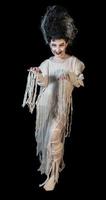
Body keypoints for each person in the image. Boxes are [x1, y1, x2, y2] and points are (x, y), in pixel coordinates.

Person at [22, 5, 85, 191]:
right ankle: (51, 169)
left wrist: (71, 77)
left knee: (53, 137)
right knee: (48, 139)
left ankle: (54, 175)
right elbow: (43, 83)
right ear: (49, 43)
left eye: (61, 45)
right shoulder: (47, 63)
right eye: (54, 45)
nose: (57, 49)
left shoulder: (74, 62)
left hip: (61, 107)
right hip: (45, 107)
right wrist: (37, 74)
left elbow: (80, 81)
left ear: (67, 43)